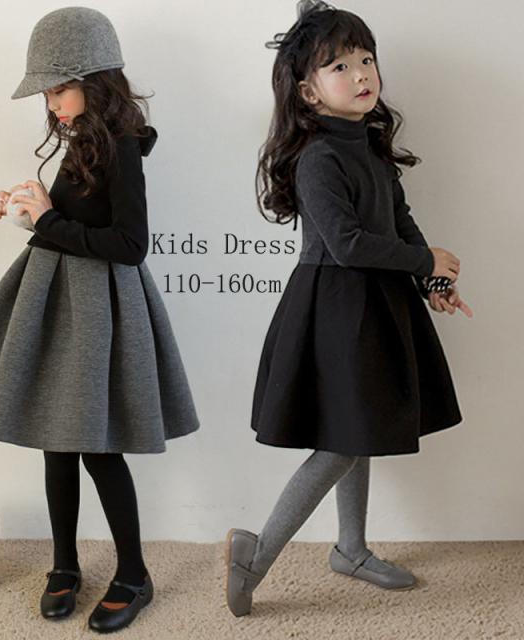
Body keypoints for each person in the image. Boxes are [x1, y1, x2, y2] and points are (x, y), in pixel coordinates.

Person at [0, 7, 199, 633]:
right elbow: (75, 222)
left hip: (96, 315)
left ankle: (134, 574)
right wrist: (33, 208)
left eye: (59, 88)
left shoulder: (122, 147)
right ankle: (64, 566)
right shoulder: (85, 140)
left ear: (94, 80)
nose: (52, 103)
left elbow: (129, 246)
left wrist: (48, 220)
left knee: (97, 449)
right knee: (56, 444)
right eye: (48, 93)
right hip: (60, 307)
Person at [225, 0, 473, 617]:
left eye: (366, 59)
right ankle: (257, 555)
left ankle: (351, 549)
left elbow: (400, 220)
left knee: (355, 430)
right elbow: (347, 244)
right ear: (308, 92)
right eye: (340, 66)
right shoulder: (318, 158)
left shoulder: (370, 147)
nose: (361, 73)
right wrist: (425, 260)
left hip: (377, 303)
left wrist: (432, 280)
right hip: (336, 310)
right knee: (341, 441)